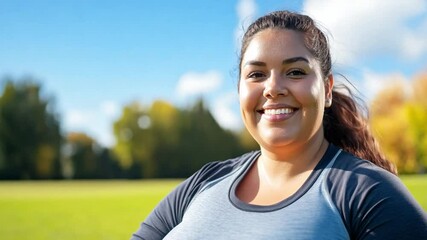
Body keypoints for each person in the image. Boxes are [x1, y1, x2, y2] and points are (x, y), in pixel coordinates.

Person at [131, 11, 427, 239]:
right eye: (256, 75)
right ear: (239, 91)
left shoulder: (368, 192)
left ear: (326, 89)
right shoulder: (203, 183)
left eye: (295, 72)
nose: (273, 88)